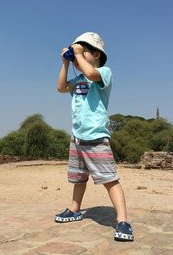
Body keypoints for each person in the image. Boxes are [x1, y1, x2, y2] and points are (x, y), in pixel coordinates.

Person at [55, 32, 134, 241]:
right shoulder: (78, 79)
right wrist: (65, 63)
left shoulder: (104, 73)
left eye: (84, 51)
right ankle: (74, 209)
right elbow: (61, 88)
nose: (78, 58)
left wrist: (77, 53)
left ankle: (123, 221)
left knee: (109, 179)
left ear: (97, 54)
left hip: (97, 137)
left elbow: (91, 74)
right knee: (78, 178)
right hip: (77, 138)